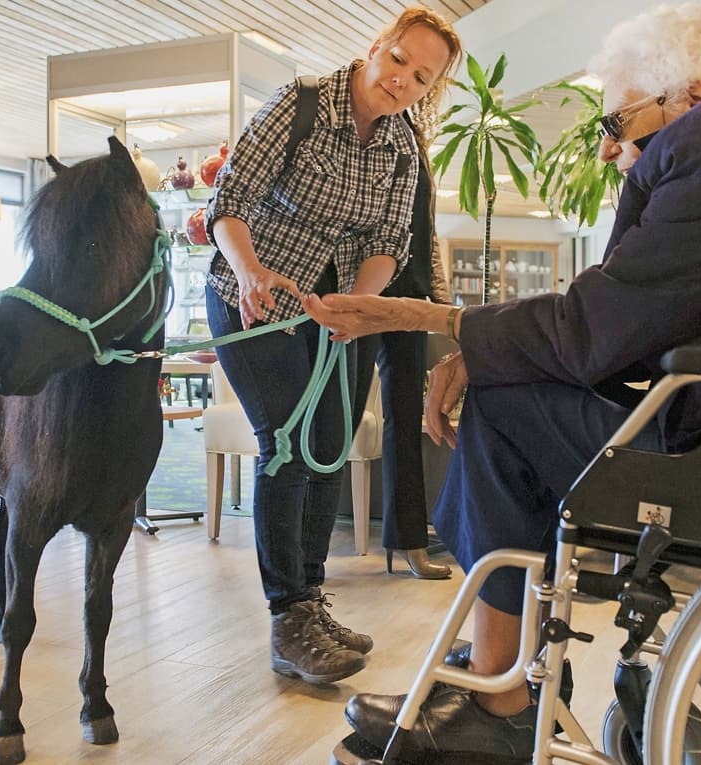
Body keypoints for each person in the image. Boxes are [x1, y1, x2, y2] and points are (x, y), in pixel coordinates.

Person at [305, 2, 701, 759]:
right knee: (523, 384)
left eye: (616, 124)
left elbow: (594, 331)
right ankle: (502, 676)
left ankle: (502, 694)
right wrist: (491, 342)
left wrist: (427, 320)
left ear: (691, 96)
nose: (609, 152)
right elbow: (626, 331)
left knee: (507, 403)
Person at [203, 6, 461, 686]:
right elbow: (227, 201)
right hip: (250, 293)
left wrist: (356, 308)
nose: (404, 80)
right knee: (286, 440)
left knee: (329, 442)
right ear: (377, 47)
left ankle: (310, 600)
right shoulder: (303, 104)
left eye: (422, 77)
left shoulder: (403, 149)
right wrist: (254, 270)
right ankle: (288, 613)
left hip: (330, 310)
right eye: (400, 60)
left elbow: (386, 245)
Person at [350, 117, 453, 581]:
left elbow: (425, 231)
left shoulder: (415, 143)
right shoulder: (358, 130)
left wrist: (443, 297)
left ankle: (409, 541)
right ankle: (304, 555)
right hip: (357, 292)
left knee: (405, 420)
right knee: (342, 415)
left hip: (408, 297)